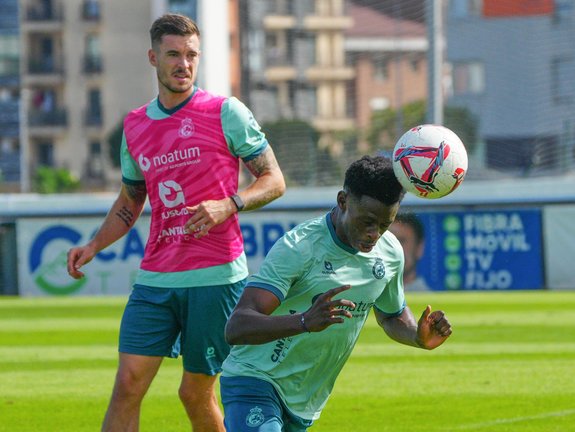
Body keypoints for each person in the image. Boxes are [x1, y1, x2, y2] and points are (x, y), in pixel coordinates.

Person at [66, 13, 285, 432]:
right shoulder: (135, 125)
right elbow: (131, 198)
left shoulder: (226, 112)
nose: (183, 64)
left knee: (194, 394)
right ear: (153, 58)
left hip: (216, 278)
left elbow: (275, 180)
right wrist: (94, 245)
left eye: (191, 55)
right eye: (173, 55)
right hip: (156, 279)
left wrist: (230, 203)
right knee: (127, 384)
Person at [220, 155, 451, 431]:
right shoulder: (299, 248)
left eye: (384, 224)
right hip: (254, 380)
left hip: (305, 398)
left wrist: (416, 336)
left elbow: (391, 315)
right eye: (366, 221)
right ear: (343, 201)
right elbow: (237, 326)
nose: (374, 234)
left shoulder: (390, 253)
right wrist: (304, 321)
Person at [388, 212, 431, 291]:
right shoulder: (361, 298)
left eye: (401, 241)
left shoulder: (433, 302)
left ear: (419, 248)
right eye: (385, 241)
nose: (392, 249)